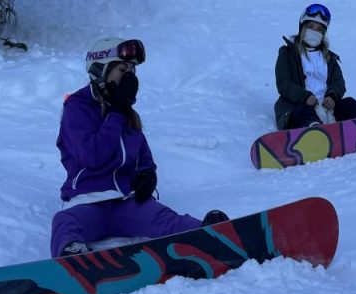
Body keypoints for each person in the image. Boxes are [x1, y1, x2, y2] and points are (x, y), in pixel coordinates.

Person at [50, 37, 228, 258]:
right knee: (65, 221)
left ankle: (209, 234)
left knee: (164, 218)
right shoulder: (78, 108)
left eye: (132, 71)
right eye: (123, 69)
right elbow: (92, 155)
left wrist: (147, 172)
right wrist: (116, 111)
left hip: (126, 202)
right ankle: (72, 257)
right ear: (101, 70)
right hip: (88, 201)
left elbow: (141, 150)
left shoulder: (126, 113)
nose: (129, 77)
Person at [273, 3, 356, 130]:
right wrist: (304, 96)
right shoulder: (288, 53)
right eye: (311, 27)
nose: (314, 32)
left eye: (319, 29)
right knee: (303, 112)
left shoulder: (329, 58)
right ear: (302, 28)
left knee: (348, 104)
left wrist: (332, 96)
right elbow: (283, 83)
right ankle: (313, 131)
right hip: (298, 106)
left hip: (327, 110)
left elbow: (338, 82)